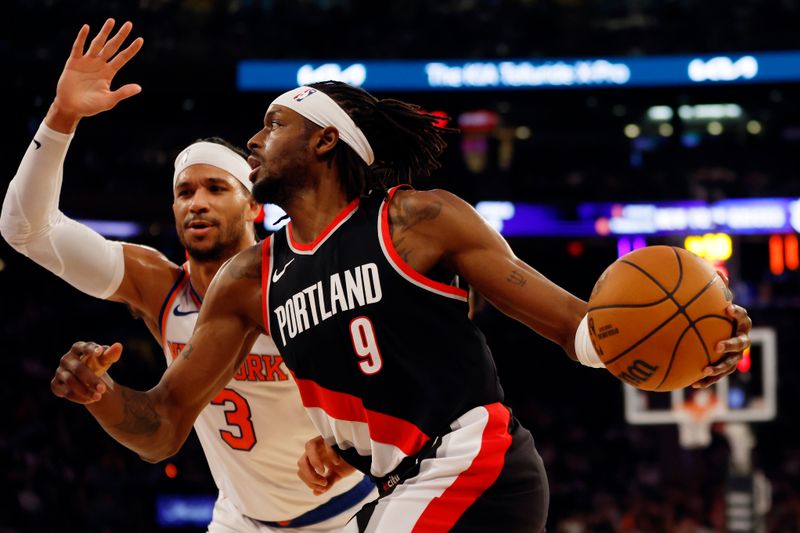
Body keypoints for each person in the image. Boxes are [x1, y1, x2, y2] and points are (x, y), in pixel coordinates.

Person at [43, 46, 752, 533]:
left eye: (273, 125)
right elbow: (164, 422)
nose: (253, 142)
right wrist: (104, 396)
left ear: (325, 141)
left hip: (478, 461)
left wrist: (686, 351)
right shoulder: (248, 278)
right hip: (396, 486)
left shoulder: (418, 220)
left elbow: (581, 331)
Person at [0, 20, 375, 532]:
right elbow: (27, 231)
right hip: (240, 518)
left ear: (253, 207)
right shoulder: (156, 284)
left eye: (216, 188)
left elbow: (389, 379)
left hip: (353, 514)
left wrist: (347, 445)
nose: (197, 202)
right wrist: (62, 117)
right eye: (185, 191)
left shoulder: (300, 276)